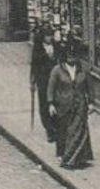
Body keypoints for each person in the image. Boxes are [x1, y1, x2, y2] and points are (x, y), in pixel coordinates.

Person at [47, 39, 93, 170]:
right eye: (69, 55)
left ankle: (77, 158)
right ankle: (64, 155)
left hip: (80, 104)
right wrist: (51, 104)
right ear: (65, 56)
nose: (72, 58)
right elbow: (51, 88)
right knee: (64, 130)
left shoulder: (83, 69)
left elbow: (90, 87)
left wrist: (91, 103)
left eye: (74, 55)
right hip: (63, 105)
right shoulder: (57, 70)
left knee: (79, 131)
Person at [30, 26, 59, 143]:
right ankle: (49, 130)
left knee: (55, 103)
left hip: (55, 81)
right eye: (47, 36)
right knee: (44, 105)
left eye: (51, 35)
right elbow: (34, 66)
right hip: (42, 80)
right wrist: (32, 82)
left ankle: (56, 127)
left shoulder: (56, 47)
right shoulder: (37, 49)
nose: (49, 38)